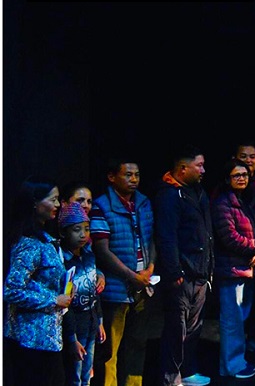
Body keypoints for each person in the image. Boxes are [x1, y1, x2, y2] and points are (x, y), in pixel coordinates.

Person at [90, 159, 157, 386]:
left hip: (143, 285)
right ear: (112, 177)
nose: (134, 179)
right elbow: (102, 250)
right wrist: (132, 276)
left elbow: (151, 239)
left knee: (138, 343)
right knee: (110, 348)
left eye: (136, 174)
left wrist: (150, 268)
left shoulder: (143, 202)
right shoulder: (101, 205)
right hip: (116, 288)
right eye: (128, 175)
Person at [153, 146, 213, 386]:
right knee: (176, 330)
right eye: (199, 165)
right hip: (182, 275)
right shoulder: (169, 195)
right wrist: (174, 271)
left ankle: (187, 372)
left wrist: (209, 268)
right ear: (182, 168)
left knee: (193, 328)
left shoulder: (197, 192)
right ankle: (171, 379)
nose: (203, 170)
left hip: (200, 273)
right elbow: (166, 236)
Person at [4, 177, 70, 386]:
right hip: (30, 340)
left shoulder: (45, 239)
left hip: (48, 337)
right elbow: (11, 290)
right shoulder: (29, 243)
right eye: (53, 199)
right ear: (35, 202)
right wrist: (53, 299)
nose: (57, 205)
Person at [211, 160, 255, 379]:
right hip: (230, 269)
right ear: (227, 179)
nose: (242, 178)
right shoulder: (223, 203)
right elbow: (230, 238)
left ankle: (237, 361)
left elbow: (253, 232)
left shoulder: (244, 201)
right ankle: (232, 366)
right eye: (236, 175)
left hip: (245, 267)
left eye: (244, 174)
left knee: (239, 318)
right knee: (232, 321)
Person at [58, 202, 107, 386]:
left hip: (91, 321)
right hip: (74, 325)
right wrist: (72, 338)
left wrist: (99, 321)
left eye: (86, 229)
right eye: (77, 229)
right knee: (74, 376)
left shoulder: (88, 256)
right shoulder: (63, 261)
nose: (83, 234)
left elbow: (94, 292)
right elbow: (66, 305)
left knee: (87, 373)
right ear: (64, 232)